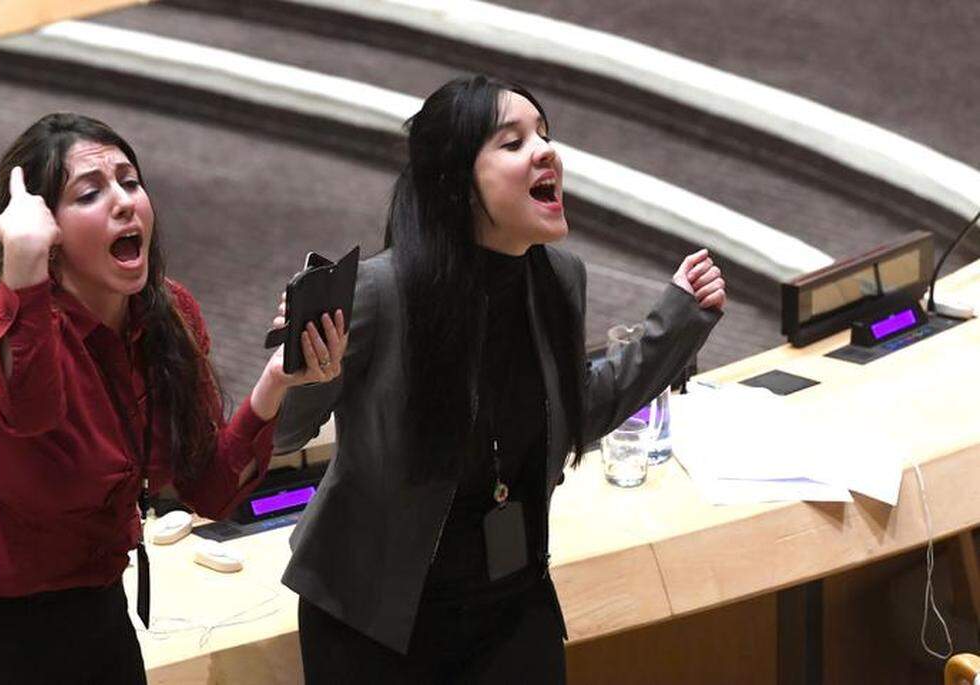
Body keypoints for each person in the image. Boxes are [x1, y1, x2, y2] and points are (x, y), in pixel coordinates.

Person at [274, 75, 726, 683]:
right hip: (376, 621)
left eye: (544, 135)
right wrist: (294, 371)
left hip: (511, 605)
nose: (545, 152)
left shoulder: (558, 279)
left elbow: (574, 411)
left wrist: (676, 323)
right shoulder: (380, 294)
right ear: (456, 183)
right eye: (512, 143)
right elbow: (281, 436)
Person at [0, 113, 347, 685]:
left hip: (91, 616)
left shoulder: (169, 317)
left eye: (130, 181)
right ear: (45, 230)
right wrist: (23, 272)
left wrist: (274, 384)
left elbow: (210, 489)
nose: (124, 202)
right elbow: (30, 410)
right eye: (91, 193)